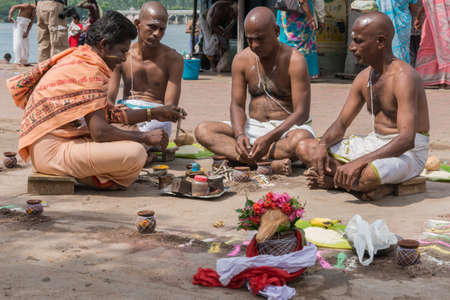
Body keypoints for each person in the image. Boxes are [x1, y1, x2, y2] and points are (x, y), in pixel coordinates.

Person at [7, 11, 186, 190]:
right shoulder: (89, 71)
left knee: (129, 143)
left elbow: (111, 114)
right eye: (122, 51)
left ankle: (93, 174)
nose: (124, 58)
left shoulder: (84, 58)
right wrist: (145, 137)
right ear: (104, 45)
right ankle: (92, 177)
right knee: (136, 153)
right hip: (51, 153)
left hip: (57, 146)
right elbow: (100, 132)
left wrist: (154, 113)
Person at [296, 12, 430, 200]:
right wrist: (323, 145)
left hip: (408, 152)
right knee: (305, 147)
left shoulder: (404, 77)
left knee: (368, 174)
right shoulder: (363, 77)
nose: (352, 47)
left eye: (358, 41)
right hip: (375, 144)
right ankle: (355, 183)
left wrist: (359, 163)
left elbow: (407, 140)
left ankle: (340, 180)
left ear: (380, 42)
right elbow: (341, 124)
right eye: (353, 41)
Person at [195, 7, 315, 176]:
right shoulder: (241, 59)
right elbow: (237, 105)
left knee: (301, 141)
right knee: (203, 130)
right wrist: (239, 135)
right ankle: (268, 164)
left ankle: (244, 159)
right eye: (250, 40)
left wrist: (270, 137)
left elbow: (301, 113)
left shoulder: (295, 60)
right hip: (253, 128)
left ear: (276, 31)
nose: (255, 45)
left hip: (287, 129)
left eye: (260, 39)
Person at [107, 1, 183, 137]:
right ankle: (142, 144)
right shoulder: (123, 55)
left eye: (162, 29)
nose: (157, 33)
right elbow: (109, 98)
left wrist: (170, 112)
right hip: (129, 114)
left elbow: (169, 108)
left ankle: (138, 142)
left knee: (130, 135)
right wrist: (114, 110)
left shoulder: (174, 59)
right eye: (152, 27)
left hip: (157, 118)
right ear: (137, 24)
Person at [276, 0, 319, 79]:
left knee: (285, 40)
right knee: (302, 43)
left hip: (284, 11)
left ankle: (284, 71)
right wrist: (311, 19)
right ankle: (300, 73)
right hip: (300, 13)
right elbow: (303, 1)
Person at [414, 0, 449, 88]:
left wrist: (418, 17)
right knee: (443, 48)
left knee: (429, 48)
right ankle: (444, 79)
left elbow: (425, 3)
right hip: (443, 24)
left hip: (432, 22)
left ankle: (430, 78)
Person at [207, 0, 237, 72]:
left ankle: (222, 64)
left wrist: (225, 35)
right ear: (230, 10)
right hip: (207, 21)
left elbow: (228, 29)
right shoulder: (220, 10)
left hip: (215, 23)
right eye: (233, 14)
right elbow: (212, 25)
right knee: (212, 42)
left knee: (223, 42)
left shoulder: (231, 12)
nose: (233, 17)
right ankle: (212, 66)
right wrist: (223, 34)